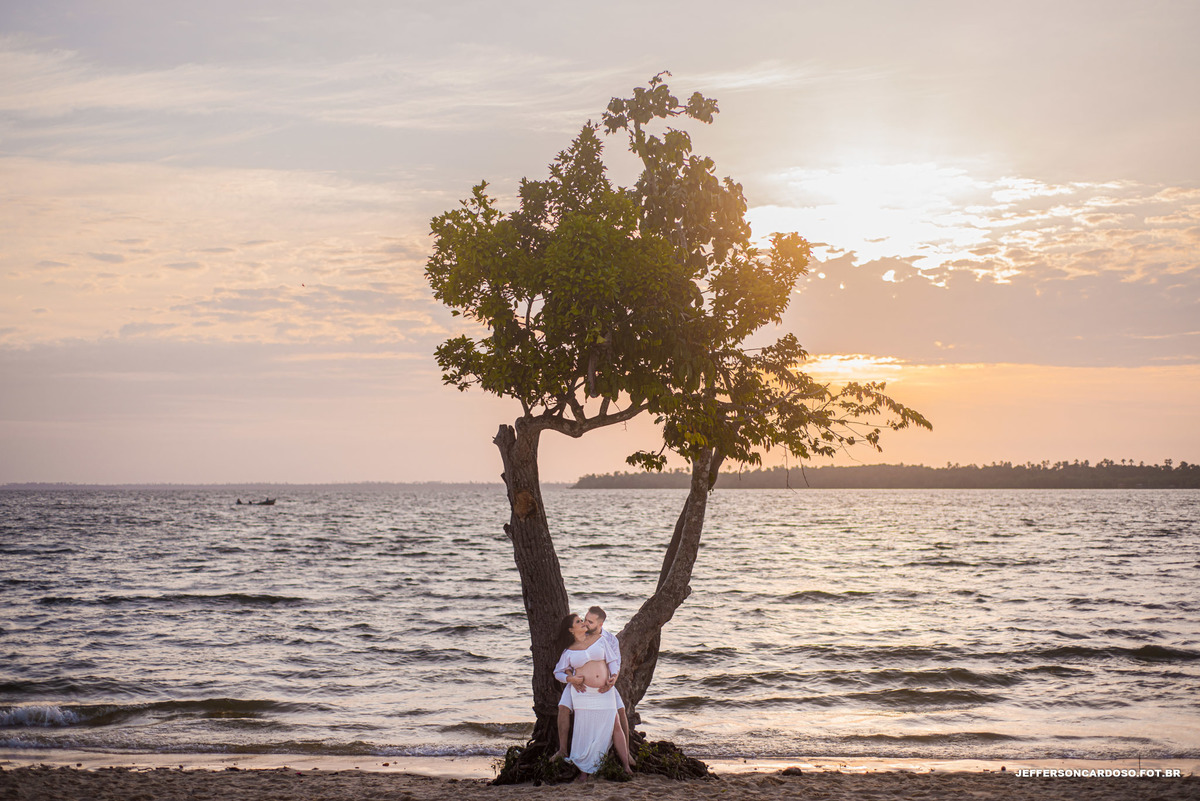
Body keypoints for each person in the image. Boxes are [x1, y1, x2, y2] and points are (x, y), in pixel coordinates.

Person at [549, 613, 633, 779]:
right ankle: (583, 771)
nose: (583, 623)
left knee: (615, 723)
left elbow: (612, 660)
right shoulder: (568, 651)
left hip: (605, 690)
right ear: (571, 630)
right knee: (583, 728)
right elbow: (557, 671)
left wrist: (614, 677)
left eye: (583, 620)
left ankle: (626, 765)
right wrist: (570, 679)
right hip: (583, 693)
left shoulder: (600, 639)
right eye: (578, 622)